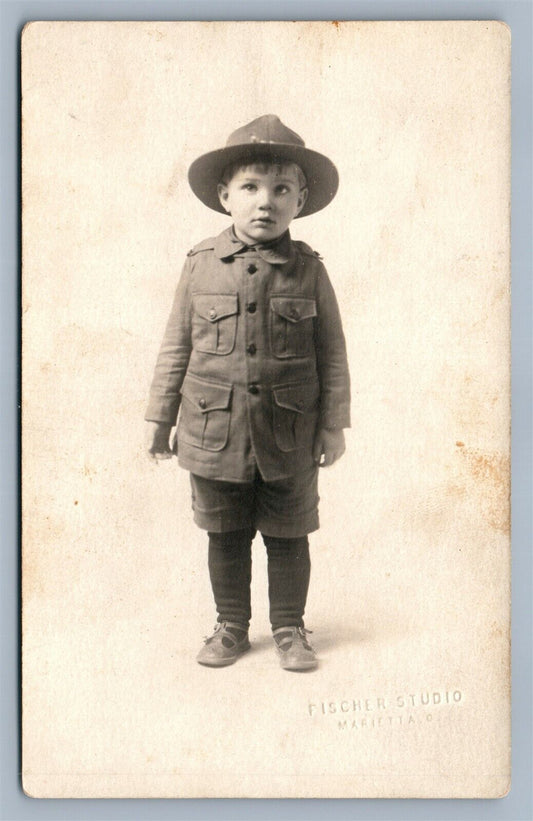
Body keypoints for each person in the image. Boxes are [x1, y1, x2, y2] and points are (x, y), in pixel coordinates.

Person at [145, 115, 350, 671]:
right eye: (251, 187)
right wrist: (159, 419)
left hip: (289, 433)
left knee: (289, 535)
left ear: (300, 201)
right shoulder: (199, 266)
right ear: (224, 196)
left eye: (281, 190)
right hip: (214, 431)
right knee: (225, 533)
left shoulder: (309, 271)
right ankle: (231, 625)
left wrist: (333, 425)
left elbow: (332, 353)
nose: (265, 202)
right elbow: (175, 346)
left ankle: (289, 628)